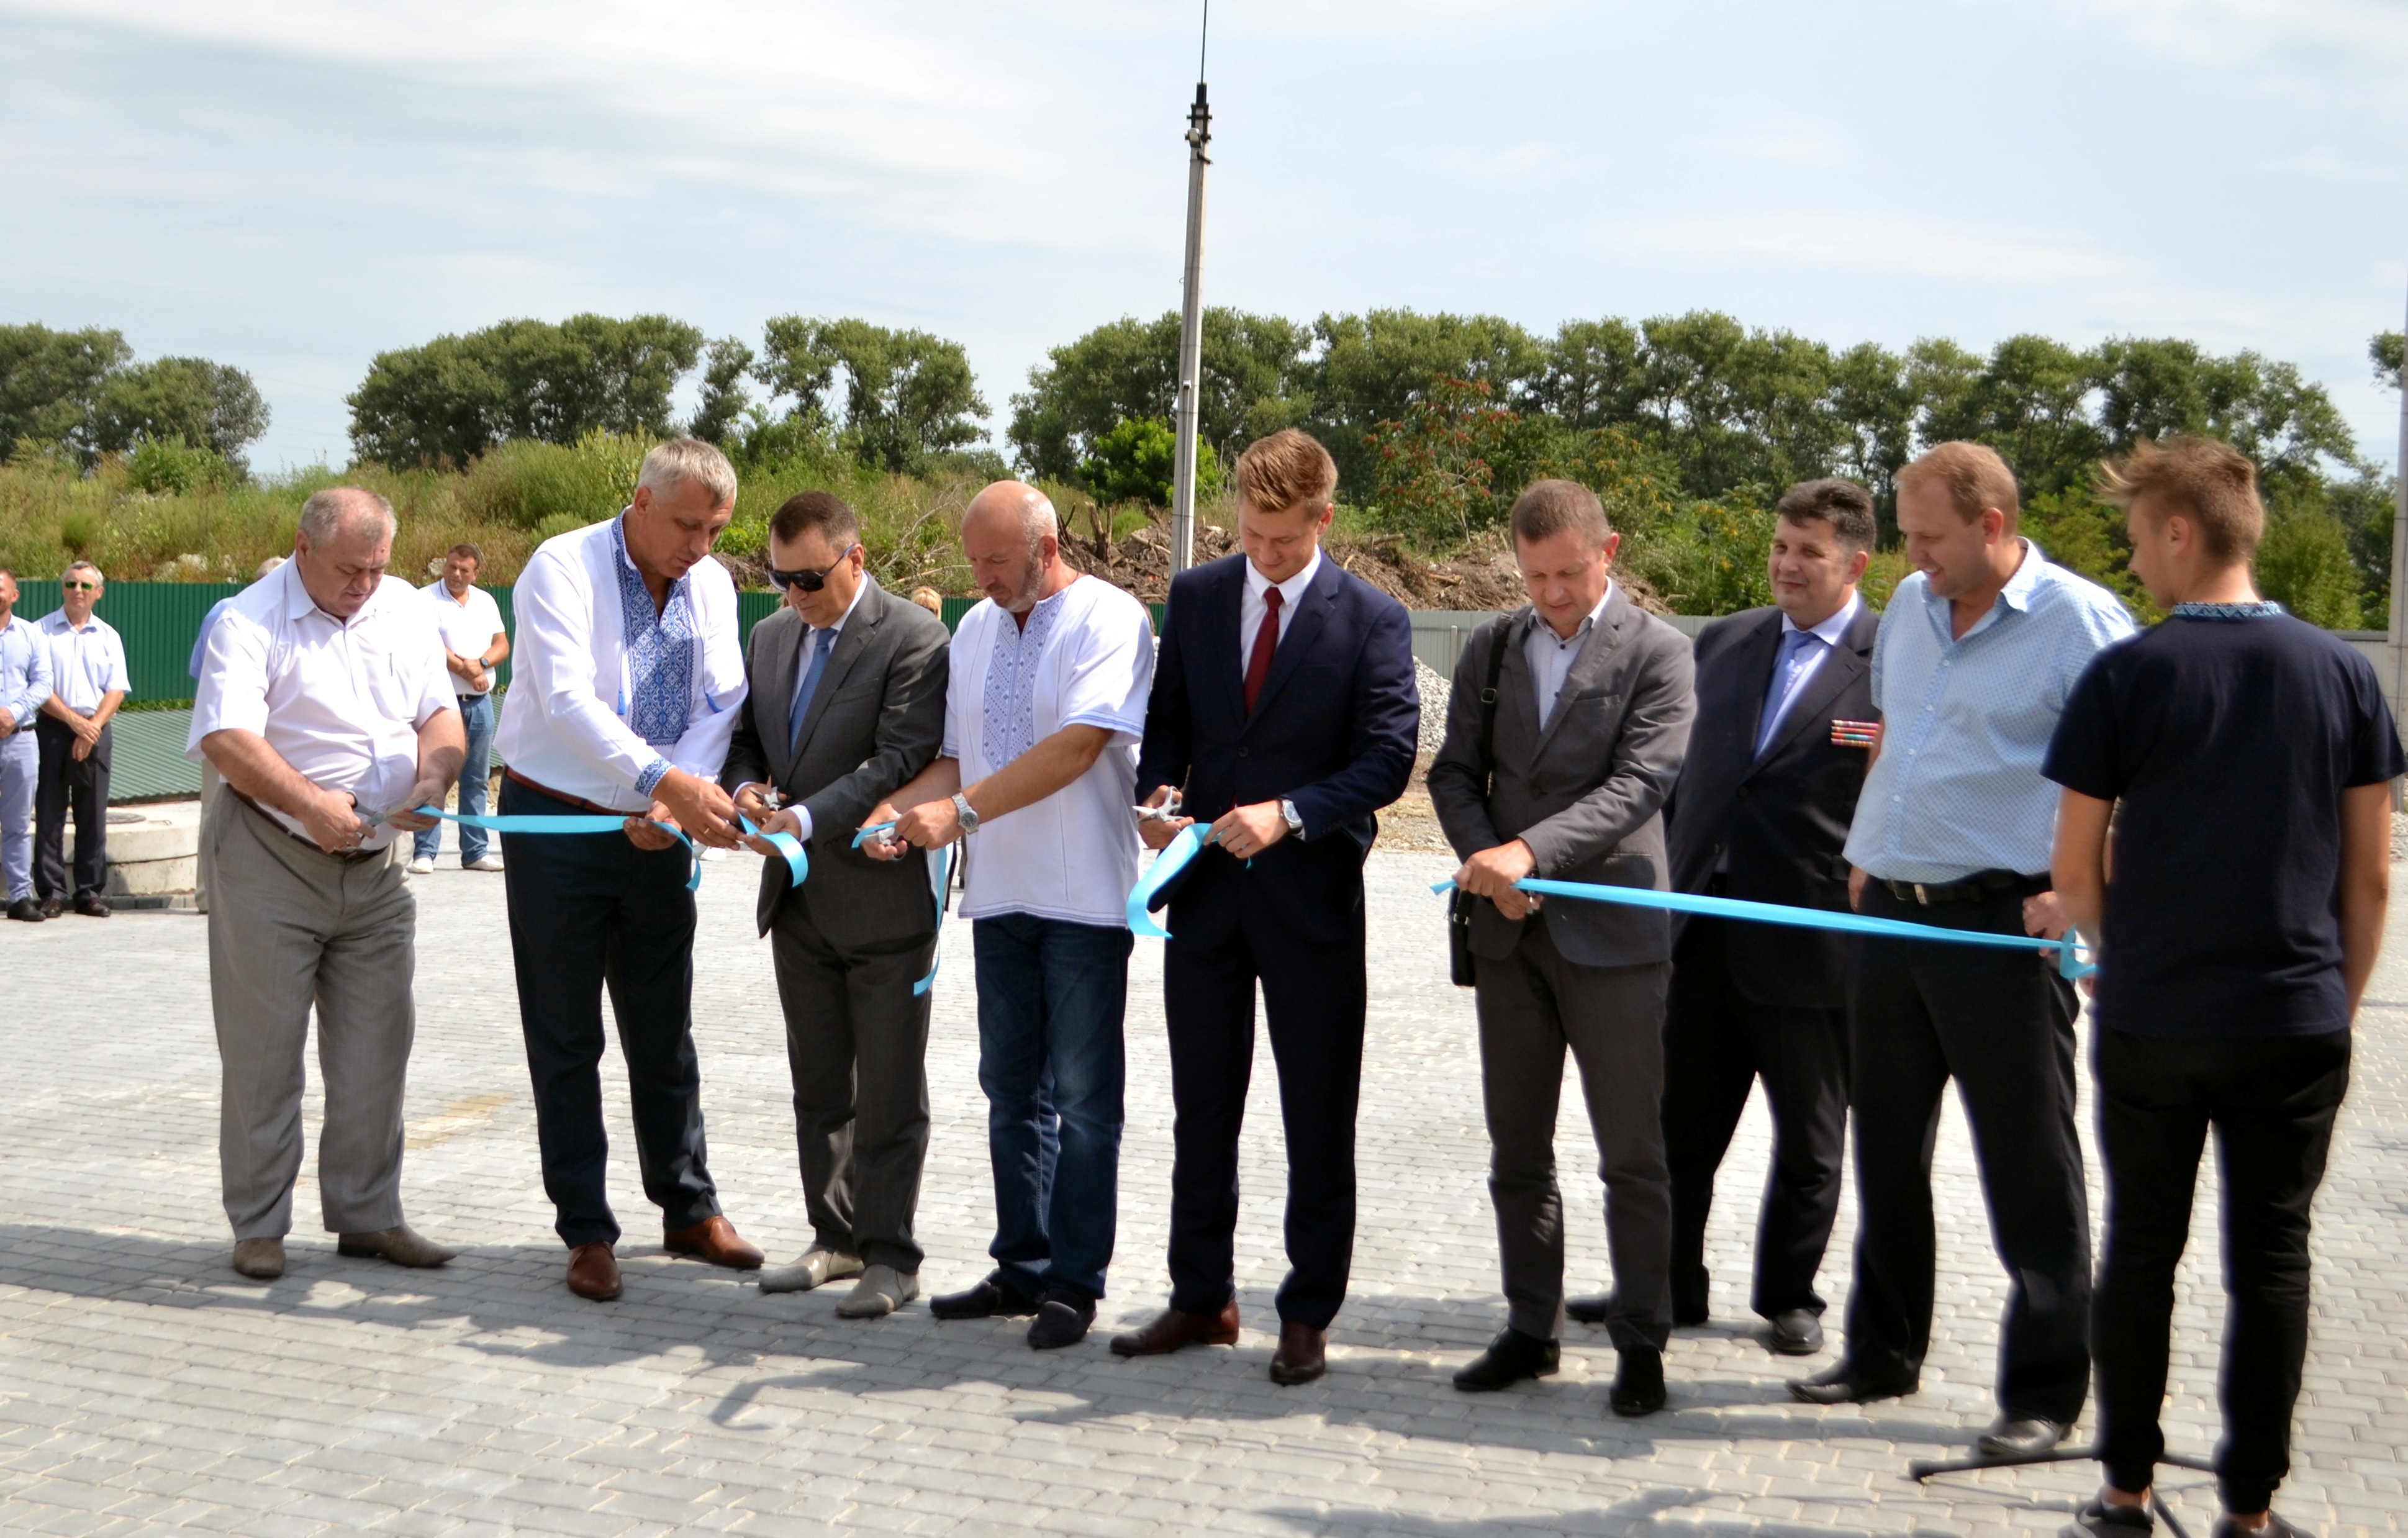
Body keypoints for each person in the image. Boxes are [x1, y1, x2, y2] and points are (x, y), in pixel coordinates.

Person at [2048, 438, 2400, 1538]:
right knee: (2272, 1261)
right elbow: (2370, 873)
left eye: (2133, 538)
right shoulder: (2342, 671)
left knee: (2138, 1253)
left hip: (2152, 1016)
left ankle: (2123, 1492)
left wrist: (2114, 957)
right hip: (2291, 1017)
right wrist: (2337, 1002)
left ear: (2179, 532)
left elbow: (2073, 871)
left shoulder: (2126, 674)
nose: (2130, 560)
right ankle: (2248, 1511)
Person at [1792, 441, 2135, 1462]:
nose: (1912, 555)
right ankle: (1881, 1351)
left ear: (1991, 525)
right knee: (1885, 1149)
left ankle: (2044, 1391)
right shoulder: (1910, 606)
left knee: (2027, 1166)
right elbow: (1897, 735)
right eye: (1906, 535)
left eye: (1929, 536)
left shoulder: (2081, 624)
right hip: (1891, 920)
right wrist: (1869, 849)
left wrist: (2078, 895)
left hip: (2000, 928)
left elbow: (2142, 772)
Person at [1115, 428, 1419, 1386]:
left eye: (1283, 540)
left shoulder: (1372, 619)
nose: (1264, 554)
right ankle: (1200, 1296)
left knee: (1316, 1116)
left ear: (1324, 519)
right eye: (1250, 535)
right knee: (1201, 1110)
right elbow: (1169, 723)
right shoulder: (1198, 596)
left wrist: (1287, 814)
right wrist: (1159, 794)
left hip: (1310, 903)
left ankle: (1307, 1311)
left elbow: (1386, 760)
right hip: (1205, 899)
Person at [1579, 478, 1878, 1357]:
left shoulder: (1890, 660)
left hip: (1812, 940)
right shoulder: (1724, 640)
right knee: (1676, 1128)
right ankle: (1665, 1284)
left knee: (1810, 1140)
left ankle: (1788, 1295)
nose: (1787, 564)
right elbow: (1680, 775)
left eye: (1809, 552)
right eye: (1780, 546)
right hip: (1698, 931)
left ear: (1855, 563)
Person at [1427, 479, 1696, 1416]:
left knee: (1632, 1155)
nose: (1550, 594)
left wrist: (1529, 852)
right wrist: (1486, 860)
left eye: (1568, 574)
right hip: (1509, 937)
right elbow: (1453, 773)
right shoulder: (1493, 647)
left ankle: (1642, 1339)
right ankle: (1529, 1325)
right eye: (1533, 576)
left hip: (1614, 937)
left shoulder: (1660, 652)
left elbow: (1640, 783)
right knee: (1517, 1148)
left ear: (1607, 551)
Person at [867, 482, 1155, 1344]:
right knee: (1009, 1092)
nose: (981, 578)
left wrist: (958, 814)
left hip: (1083, 899)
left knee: (1085, 1101)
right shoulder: (975, 630)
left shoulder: (1110, 617)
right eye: (973, 561)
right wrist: (893, 810)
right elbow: (959, 758)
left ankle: (1075, 1280)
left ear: (1047, 547)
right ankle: (1021, 1267)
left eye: (996, 561)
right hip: (998, 896)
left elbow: (1077, 747)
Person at [492, 437, 763, 1302]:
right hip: (557, 822)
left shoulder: (711, 583)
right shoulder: (561, 567)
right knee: (566, 1031)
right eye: (686, 525)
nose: (700, 546)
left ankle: (688, 1206)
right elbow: (566, 699)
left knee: (662, 1022)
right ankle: (585, 1227)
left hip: (658, 826)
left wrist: (673, 798)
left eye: (716, 530)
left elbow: (721, 701)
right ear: (641, 502)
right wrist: (663, 782)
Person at [187, 488, 467, 1280]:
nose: (365, 585)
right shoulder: (248, 621)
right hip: (270, 857)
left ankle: (368, 1214)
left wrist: (434, 778)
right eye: (350, 570)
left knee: (379, 1047)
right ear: (302, 548)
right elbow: (227, 738)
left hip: (376, 873)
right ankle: (259, 1225)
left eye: (378, 568)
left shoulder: (404, 609)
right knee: (263, 1053)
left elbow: (439, 716)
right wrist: (310, 802)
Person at [719, 491, 951, 1316]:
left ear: (855, 558)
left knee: (888, 1089)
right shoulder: (770, 637)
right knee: (818, 1085)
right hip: (797, 901)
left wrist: (807, 818)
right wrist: (745, 790)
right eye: (777, 579)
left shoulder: (914, 637)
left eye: (809, 579)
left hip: (883, 900)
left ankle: (892, 1254)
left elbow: (899, 756)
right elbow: (746, 739)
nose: (793, 595)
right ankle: (837, 1234)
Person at [191, 556, 287, 914]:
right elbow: (205, 674)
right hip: (227, 733)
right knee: (217, 811)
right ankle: (208, 895)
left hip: (265, 734)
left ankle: (245, 893)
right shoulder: (227, 613)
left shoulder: (287, 616)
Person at [34, 559, 129, 918]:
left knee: (93, 812)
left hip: (96, 728)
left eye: (86, 585)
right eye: (72, 584)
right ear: (62, 588)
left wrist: (92, 728)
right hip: (54, 728)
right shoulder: (41, 632)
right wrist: (74, 723)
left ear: (98, 593)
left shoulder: (109, 636)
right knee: (49, 811)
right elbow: (40, 687)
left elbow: (116, 689)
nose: (78, 590)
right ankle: (52, 892)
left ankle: (89, 892)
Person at [412, 543, 509, 875]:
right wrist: (467, 671)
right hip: (440, 704)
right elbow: (429, 645)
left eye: (464, 570)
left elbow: (502, 644)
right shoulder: (425, 599)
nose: (455, 574)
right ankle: (425, 851)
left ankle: (475, 851)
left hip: (480, 705)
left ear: (475, 573)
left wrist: (482, 663)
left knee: (477, 780)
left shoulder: (485, 601)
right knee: (432, 776)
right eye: (451, 567)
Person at [0, 569, 52, 923]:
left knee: (18, 824)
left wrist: (13, 713)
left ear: (15, 595)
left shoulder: (32, 635)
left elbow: (44, 683)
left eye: (1, 589)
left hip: (20, 739)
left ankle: (20, 896)